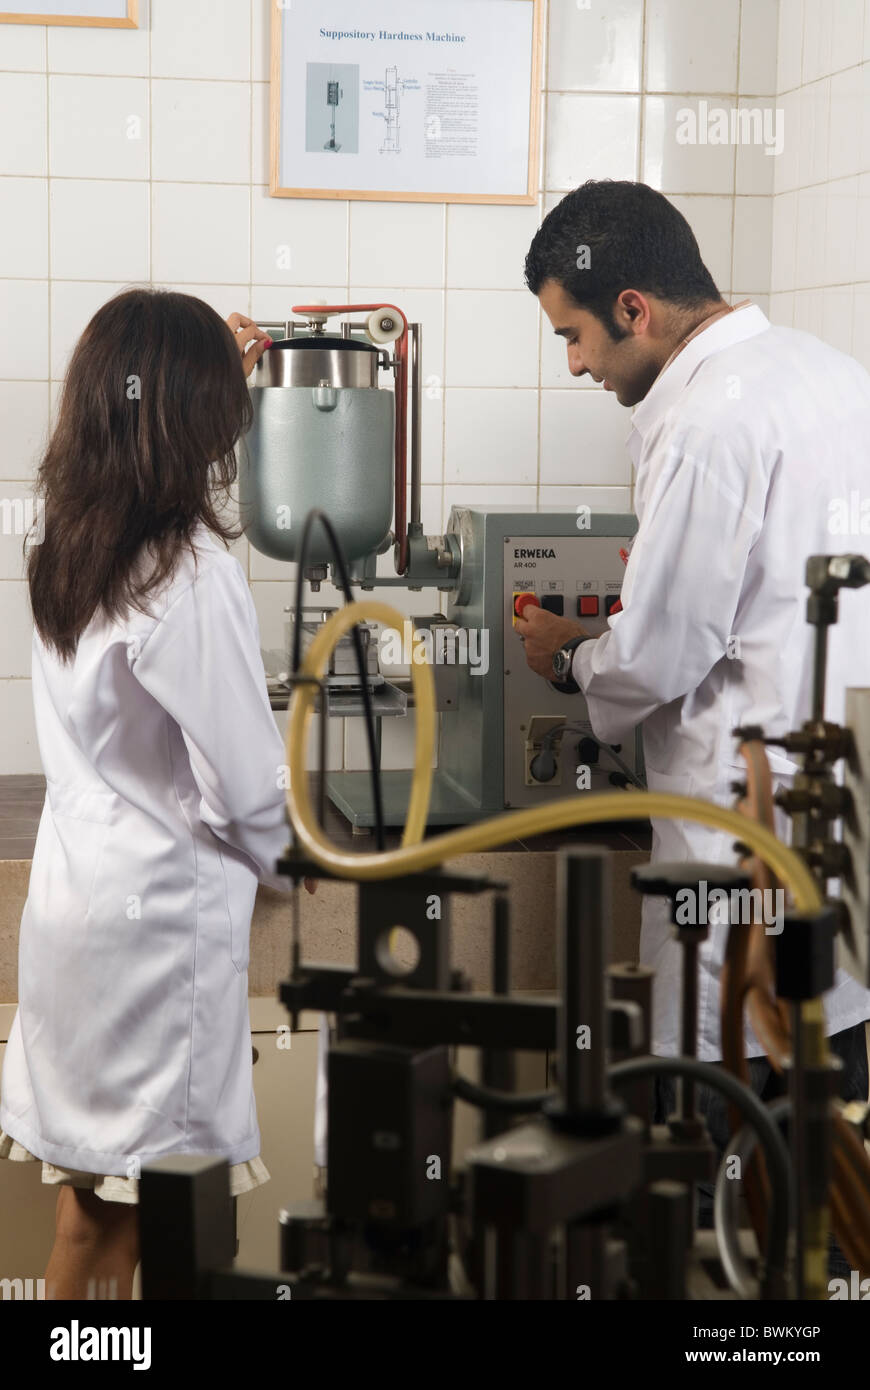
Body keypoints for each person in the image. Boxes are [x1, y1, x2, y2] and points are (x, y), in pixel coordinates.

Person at [516, 180, 870, 1264]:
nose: (574, 365)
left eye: (574, 334)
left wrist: (568, 657)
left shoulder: (708, 420)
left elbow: (659, 651)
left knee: (723, 1161)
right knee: (834, 1128)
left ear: (635, 308)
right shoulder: (834, 375)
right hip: (842, 837)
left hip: (733, 848)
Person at [0, 290, 314, 1299]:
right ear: (193, 418)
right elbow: (247, 789)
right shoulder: (190, 572)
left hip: (78, 910)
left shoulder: (65, 538)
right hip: (153, 941)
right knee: (152, 1216)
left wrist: (200, 360)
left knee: (91, 1208)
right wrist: (300, 864)